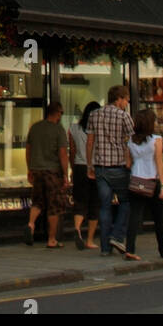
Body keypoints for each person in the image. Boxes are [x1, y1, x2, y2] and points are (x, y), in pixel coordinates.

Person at [122, 108, 163, 262]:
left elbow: (127, 164)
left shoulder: (130, 140)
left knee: (134, 216)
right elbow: (159, 163)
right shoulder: (156, 140)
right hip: (152, 180)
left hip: (136, 180)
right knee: (158, 217)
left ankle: (130, 249)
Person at [86, 84, 134, 254]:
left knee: (105, 206)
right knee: (126, 202)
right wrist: (130, 162)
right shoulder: (124, 116)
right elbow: (133, 141)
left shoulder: (94, 114)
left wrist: (89, 165)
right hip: (119, 166)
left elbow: (90, 141)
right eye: (126, 100)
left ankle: (105, 248)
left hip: (100, 167)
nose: (127, 103)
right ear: (119, 99)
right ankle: (117, 236)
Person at [24, 100, 70, 248]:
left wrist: (30, 168)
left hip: (36, 170)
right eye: (61, 113)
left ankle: (31, 224)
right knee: (54, 206)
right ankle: (51, 239)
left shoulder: (35, 128)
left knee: (37, 201)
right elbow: (63, 154)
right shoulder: (59, 130)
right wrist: (65, 175)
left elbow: (28, 150)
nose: (61, 116)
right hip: (53, 172)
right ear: (57, 113)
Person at [69, 100, 100, 250]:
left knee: (80, 201)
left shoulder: (73, 128)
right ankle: (90, 240)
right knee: (94, 203)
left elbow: (72, 150)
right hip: (95, 167)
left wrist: (72, 168)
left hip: (79, 167)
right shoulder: (99, 129)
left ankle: (77, 228)